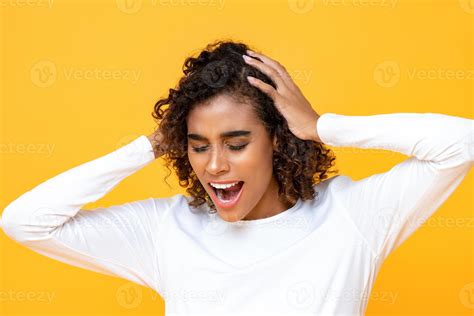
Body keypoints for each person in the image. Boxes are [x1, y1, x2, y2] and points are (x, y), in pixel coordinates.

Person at [1, 40, 472, 316]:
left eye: (237, 143)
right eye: (198, 145)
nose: (214, 166)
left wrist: (319, 125)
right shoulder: (167, 229)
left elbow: (462, 143)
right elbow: (25, 222)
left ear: (278, 139)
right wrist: (149, 145)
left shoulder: (352, 216)